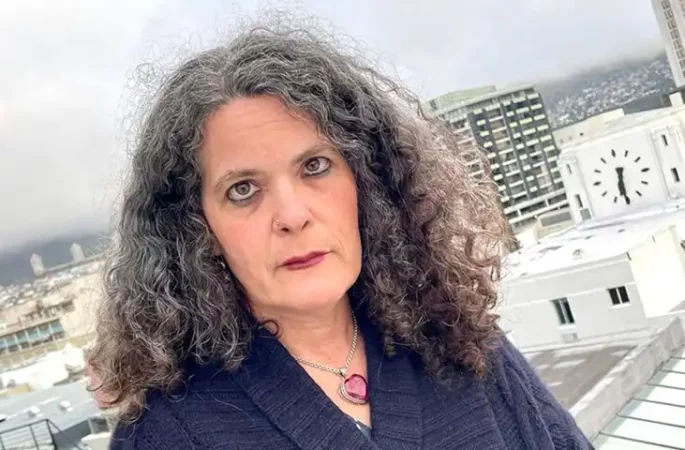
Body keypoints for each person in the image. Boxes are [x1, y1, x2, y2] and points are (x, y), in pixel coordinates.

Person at [89, 24, 592, 450]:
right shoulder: (168, 433)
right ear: (199, 229)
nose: (292, 215)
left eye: (314, 166)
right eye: (243, 190)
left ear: (366, 182)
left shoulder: (460, 346)